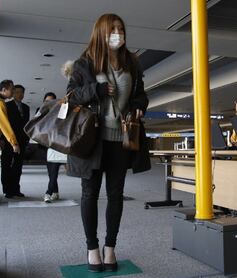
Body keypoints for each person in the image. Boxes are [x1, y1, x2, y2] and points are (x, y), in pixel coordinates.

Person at [66, 14, 150, 272]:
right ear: (101, 32)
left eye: (121, 29)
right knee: (90, 194)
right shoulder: (85, 63)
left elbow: (140, 96)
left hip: (120, 139)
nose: (118, 33)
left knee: (116, 196)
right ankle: (92, 248)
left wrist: (137, 107)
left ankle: (110, 247)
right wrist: (97, 90)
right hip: (92, 139)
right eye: (112, 29)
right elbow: (71, 96)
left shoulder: (131, 64)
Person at [0, 80, 20, 204]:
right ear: (4, 90)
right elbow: (4, 125)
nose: (13, 92)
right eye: (12, 90)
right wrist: (14, 143)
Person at [0, 84, 30, 198]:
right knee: (6, 164)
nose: (20, 94)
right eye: (17, 92)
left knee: (18, 166)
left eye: (22, 92)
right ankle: (7, 190)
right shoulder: (6, 105)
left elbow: (26, 125)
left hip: (21, 141)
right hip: (8, 141)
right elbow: (3, 124)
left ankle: (16, 189)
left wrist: (26, 139)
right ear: (12, 93)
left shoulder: (26, 107)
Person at [41, 92, 66, 203]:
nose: (49, 103)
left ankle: (48, 192)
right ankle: (55, 192)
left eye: (52, 100)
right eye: (47, 100)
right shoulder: (40, 111)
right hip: (45, 145)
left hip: (56, 144)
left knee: (54, 171)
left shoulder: (61, 112)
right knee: (50, 172)